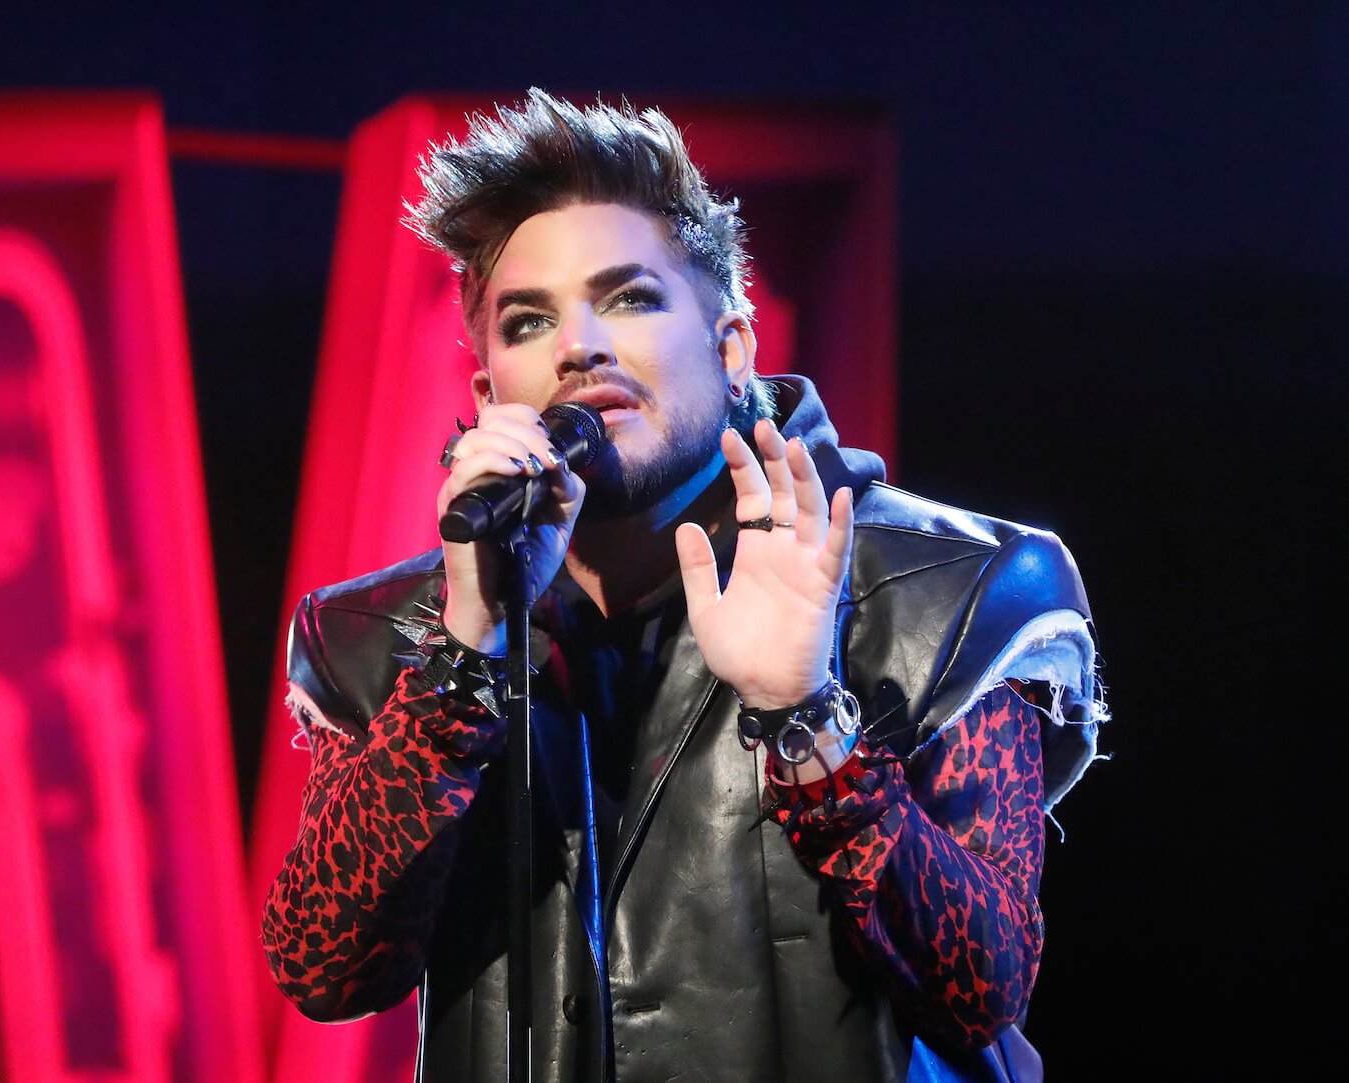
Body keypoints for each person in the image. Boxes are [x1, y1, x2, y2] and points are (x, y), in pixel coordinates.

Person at [262, 88, 1105, 1083]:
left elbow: (983, 987)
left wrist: (807, 718)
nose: (580, 346)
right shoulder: (384, 636)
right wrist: (465, 658)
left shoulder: (956, 590)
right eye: (530, 320)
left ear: (732, 345)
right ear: (490, 392)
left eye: (630, 297)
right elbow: (324, 968)